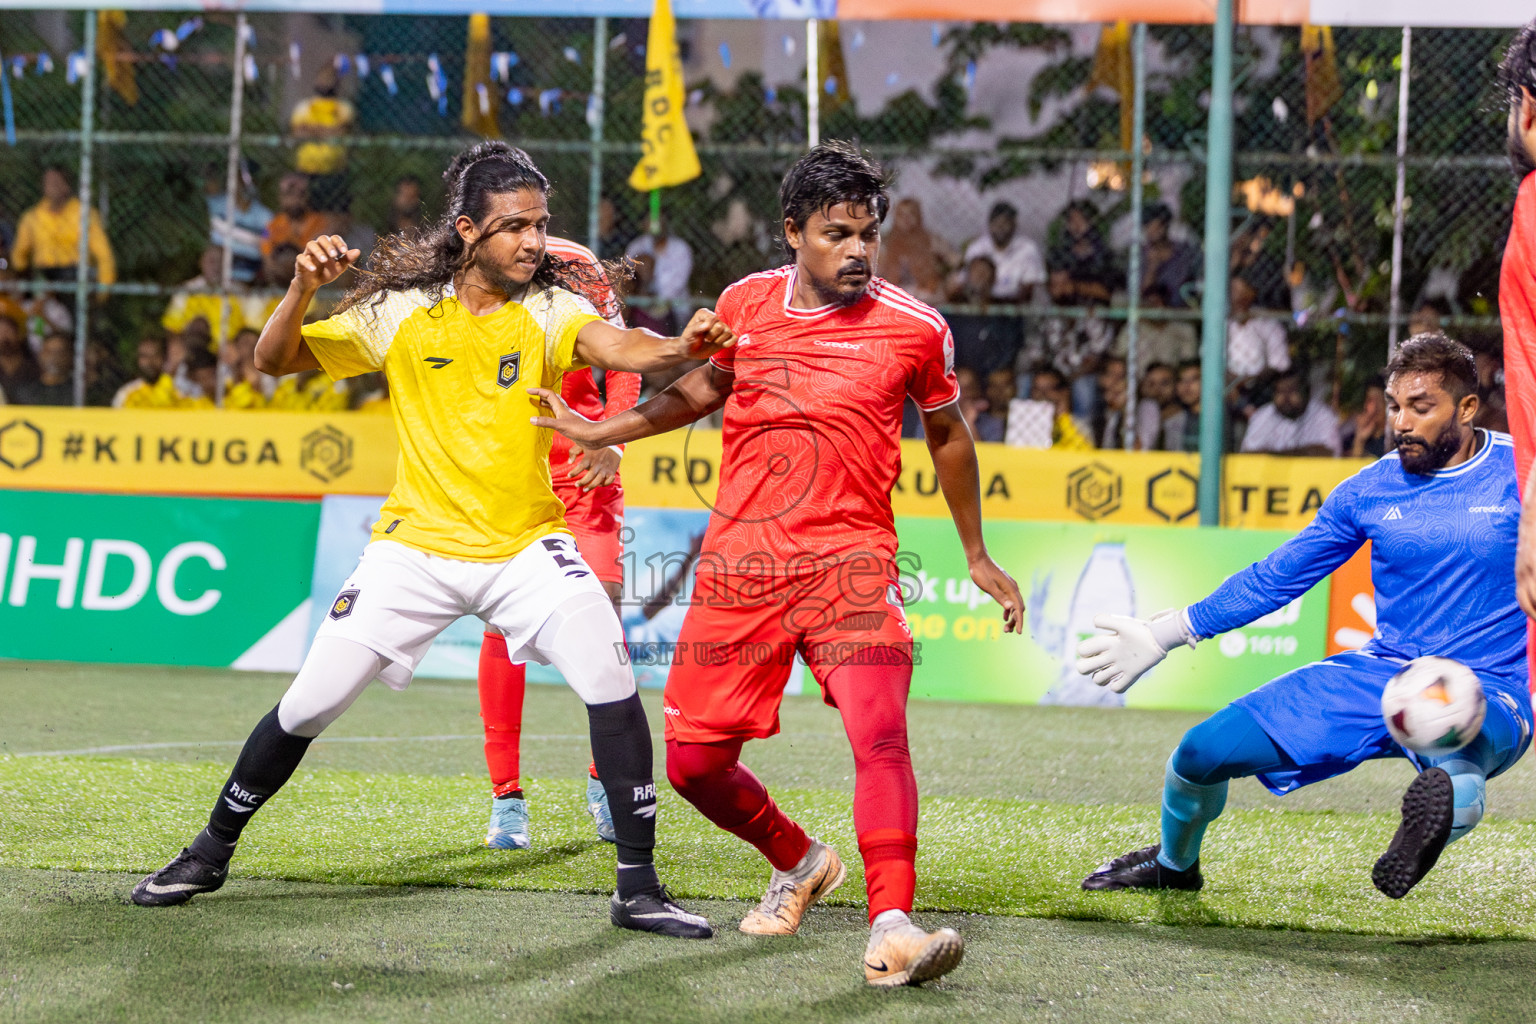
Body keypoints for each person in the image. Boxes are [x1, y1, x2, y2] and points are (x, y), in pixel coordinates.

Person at [130, 141, 730, 942]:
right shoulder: (401, 312)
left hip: (524, 547)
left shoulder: (552, 309)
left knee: (611, 676)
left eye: (542, 225)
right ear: (468, 230)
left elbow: (626, 350)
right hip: (412, 550)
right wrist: (303, 286)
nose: (533, 242)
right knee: (308, 704)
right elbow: (273, 360)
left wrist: (684, 346)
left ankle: (638, 887)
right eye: (515, 226)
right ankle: (207, 852)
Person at [533, 141, 1024, 986]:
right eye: (839, 234)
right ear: (793, 232)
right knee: (691, 764)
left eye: (868, 232)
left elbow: (947, 433)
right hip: (742, 571)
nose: (859, 251)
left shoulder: (915, 327)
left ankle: (894, 923)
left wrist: (977, 554)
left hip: (852, 565)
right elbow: (697, 393)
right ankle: (799, 862)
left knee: (881, 734)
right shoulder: (743, 304)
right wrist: (597, 431)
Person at [1078, 335, 1531, 899]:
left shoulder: (1522, 473)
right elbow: (1278, 575)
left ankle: (1426, 830)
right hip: (1382, 671)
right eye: (1394, 406)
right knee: (1199, 753)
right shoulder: (1367, 490)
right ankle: (1175, 866)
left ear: (1466, 408)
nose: (1402, 423)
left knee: (1459, 764)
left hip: (1492, 683)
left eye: (1421, 407)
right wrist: (1167, 631)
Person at [475, 232, 641, 851]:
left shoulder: (577, 266)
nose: (526, 230)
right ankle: (507, 798)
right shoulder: (470, 272)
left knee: (603, 613)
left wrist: (610, 437)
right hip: (511, 472)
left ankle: (606, 783)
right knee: (502, 625)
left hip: (582, 464)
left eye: (533, 216)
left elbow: (624, 360)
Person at [11, 164, 116, 289]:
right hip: (44, 276)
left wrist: (104, 287)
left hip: (74, 276)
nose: (50, 187)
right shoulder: (32, 217)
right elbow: (19, 256)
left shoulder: (84, 214)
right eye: (47, 182)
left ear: (66, 186)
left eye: (55, 182)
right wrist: (22, 279)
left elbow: (103, 254)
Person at [290, 66, 355, 214]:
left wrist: (312, 129)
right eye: (324, 77)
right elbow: (298, 132)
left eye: (331, 77)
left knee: (332, 212)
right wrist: (327, 130)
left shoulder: (343, 107)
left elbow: (340, 132)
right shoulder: (304, 106)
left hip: (334, 172)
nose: (326, 81)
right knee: (305, 212)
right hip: (306, 170)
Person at [946, 256, 1023, 377]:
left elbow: (1010, 344)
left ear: (993, 279)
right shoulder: (954, 309)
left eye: (984, 272)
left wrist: (999, 368)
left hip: (995, 371)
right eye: (975, 271)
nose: (979, 276)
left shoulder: (1003, 312)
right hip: (962, 372)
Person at [1240, 368, 1341, 457]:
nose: (1285, 398)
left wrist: (1273, 456)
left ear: (1306, 392)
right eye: (1280, 391)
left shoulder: (1323, 415)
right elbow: (1248, 456)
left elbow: (1327, 453)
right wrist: (1303, 453)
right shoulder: (1263, 416)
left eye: (1291, 390)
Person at [1226, 273, 1290, 412]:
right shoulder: (1222, 322)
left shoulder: (1268, 322)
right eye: (1232, 291)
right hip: (1226, 387)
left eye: (1242, 291)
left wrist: (1246, 380)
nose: (1237, 298)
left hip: (1259, 389)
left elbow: (1279, 364)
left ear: (1253, 293)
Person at [162, 245, 247, 348]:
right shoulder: (187, 291)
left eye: (221, 261)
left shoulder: (240, 293)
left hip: (230, 354)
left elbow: (251, 330)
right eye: (211, 261)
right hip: (193, 353)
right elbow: (171, 328)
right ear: (201, 262)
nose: (216, 266)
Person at [962, 201, 1044, 303]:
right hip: (981, 304)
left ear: (1014, 224)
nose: (1000, 228)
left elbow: (1029, 288)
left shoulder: (1027, 249)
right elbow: (966, 281)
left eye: (1005, 223)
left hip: (1015, 308)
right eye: (996, 223)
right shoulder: (977, 248)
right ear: (989, 225)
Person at [206, 166, 273, 284]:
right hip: (219, 267)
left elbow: (266, 239)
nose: (241, 185)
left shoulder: (265, 216)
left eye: (246, 181)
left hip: (251, 270)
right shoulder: (217, 204)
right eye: (238, 180)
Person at [1115, 284, 1197, 379]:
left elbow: (1188, 365)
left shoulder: (1184, 330)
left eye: (1161, 302)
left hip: (1171, 385)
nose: (1157, 307)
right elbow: (1119, 360)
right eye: (1151, 303)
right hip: (1139, 383)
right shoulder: (1132, 329)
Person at [882, 197, 954, 306]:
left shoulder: (930, 240)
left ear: (918, 216)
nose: (906, 219)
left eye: (911, 214)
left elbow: (954, 261)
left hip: (926, 294)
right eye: (901, 215)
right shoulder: (886, 243)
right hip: (895, 294)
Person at [1046, 200, 1116, 306]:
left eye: (1081, 219)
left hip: (1096, 306)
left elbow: (1105, 291)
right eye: (1071, 220)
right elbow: (1057, 288)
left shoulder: (1104, 254)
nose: (1076, 225)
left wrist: (1076, 286)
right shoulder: (1058, 253)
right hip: (1065, 305)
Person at [1139, 203, 1199, 308]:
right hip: (1149, 314)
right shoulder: (1140, 255)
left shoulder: (1184, 252)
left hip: (1179, 310)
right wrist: (1152, 268)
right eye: (1147, 225)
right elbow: (1139, 294)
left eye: (1158, 225)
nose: (1152, 230)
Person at [261, 173, 330, 263]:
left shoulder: (319, 222)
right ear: (281, 197)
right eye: (290, 194)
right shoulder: (272, 225)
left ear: (307, 197)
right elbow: (265, 249)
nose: (295, 200)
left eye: (300, 194)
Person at [624, 215, 693, 301]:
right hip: (640, 303)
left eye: (660, 219)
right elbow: (628, 277)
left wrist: (659, 303)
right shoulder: (636, 247)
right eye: (651, 219)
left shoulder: (680, 248)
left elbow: (678, 284)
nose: (655, 224)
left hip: (674, 305)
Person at [12, 331, 74, 405]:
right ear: (40, 355)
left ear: (69, 357)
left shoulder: (78, 393)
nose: (53, 357)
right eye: (48, 352)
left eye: (59, 352)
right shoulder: (25, 392)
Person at [1339, 376, 1387, 459]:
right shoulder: (1349, 440)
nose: (1375, 407)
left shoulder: (1394, 442)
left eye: (1379, 401)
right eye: (1370, 400)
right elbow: (1349, 470)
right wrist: (1359, 441)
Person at [1160, 360, 1202, 452]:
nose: (1186, 386)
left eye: (1194, 379)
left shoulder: (1222, 417)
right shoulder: (1172, 419)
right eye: (1181, 380)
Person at [1134, 361, 1176, 451]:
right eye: (1151, 384)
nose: (1157, 389)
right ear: (1142, 387)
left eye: (1164, 383)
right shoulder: (1134, 416)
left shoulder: (1184, 418)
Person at [0, 315, 38, 399]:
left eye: (8, 331)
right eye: (0, 332)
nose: (4, 337)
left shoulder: (33, 367)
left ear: (18, 335)